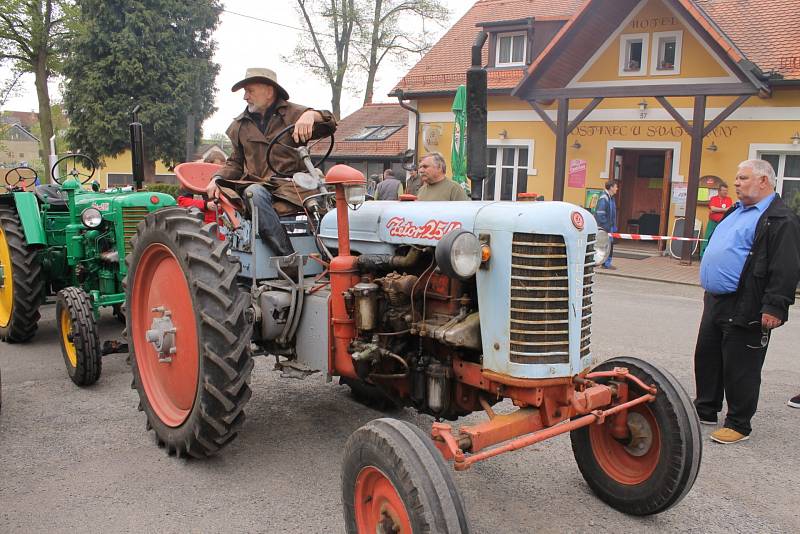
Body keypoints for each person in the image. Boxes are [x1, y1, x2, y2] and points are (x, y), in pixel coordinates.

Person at [693, 159, 800, 444]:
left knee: (742, 364)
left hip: (747, 302)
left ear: (763, 181)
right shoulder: (737, 210)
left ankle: (739, 423)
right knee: (708, 355)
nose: (737, 183)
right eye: (737, 177)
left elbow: (786, 266)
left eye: (743, 177)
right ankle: (706, 408)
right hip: (716, 300)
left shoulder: (781, 219)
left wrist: (775, 305)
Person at [205, 67, 336, 258]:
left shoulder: (295, 114)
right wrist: (216, 178)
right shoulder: (239, 126)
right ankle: (288, 258)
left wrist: (311, 116)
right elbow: (235, 162)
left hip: (295, 186)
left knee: (339, 192)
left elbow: (330, 123)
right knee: (253, 192)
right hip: (260, 185)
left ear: (269, 91)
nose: (245, 97)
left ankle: (335, 255)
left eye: (250, 91)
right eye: (245, 92)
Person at [700, 183, 732, 257]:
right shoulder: (713, 198)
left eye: (726, 191)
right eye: (724, 190)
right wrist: (723, 210)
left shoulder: (729, 199)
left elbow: (729, 210)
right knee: (708, 238)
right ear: (719, 191)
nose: (725, 192)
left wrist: (716, 210)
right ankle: (703, 255)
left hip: (723, 223)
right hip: (712, 223)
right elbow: (712, 208)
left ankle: (718, 256)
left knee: (721, 240)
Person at [594, 179, 619, 269]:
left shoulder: (611, 198)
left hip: (610, 227)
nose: (617, 188)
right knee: (604, 245)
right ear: (611, 187)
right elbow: (600, 214)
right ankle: (603, 263)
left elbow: (612, 214)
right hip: (605, 227)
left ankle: (606, 263)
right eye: (616, 187)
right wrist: (606, 227)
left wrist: (613, 226)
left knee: (610, 245)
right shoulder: (604, 198)